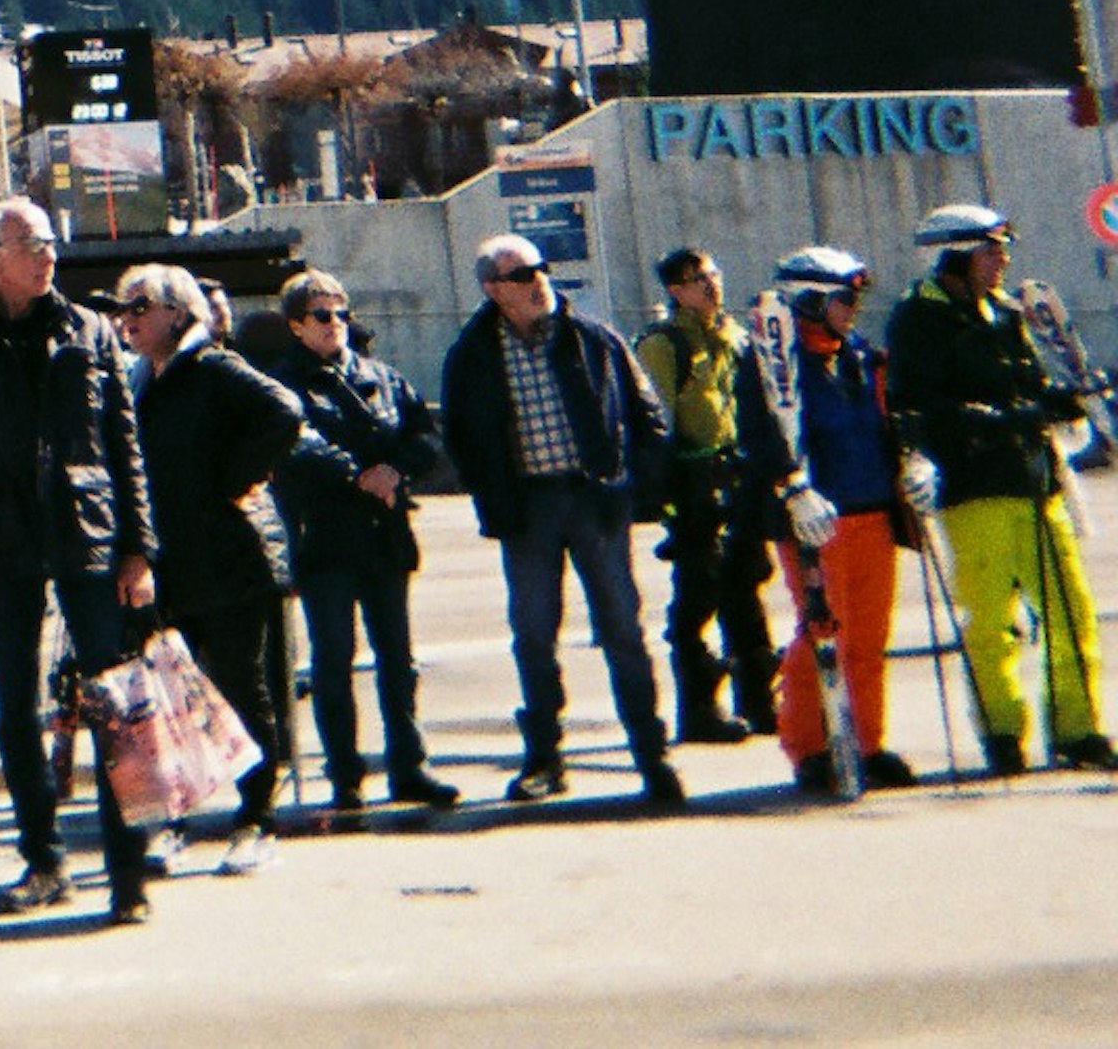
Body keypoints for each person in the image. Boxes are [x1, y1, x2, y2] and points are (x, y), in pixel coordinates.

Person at [0, 198, 157, 923]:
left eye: (51, 239)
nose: (46, 253)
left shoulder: (87, 328)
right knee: (15, 705)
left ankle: (128, 871)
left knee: (115, 704)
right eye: (29, 242)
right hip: (2, 540)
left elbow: (126, 446)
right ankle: (44, 857)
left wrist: (139, 547)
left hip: (86, 530)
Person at [439, 233, 683, 809]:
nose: (539, 281)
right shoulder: (473, 354)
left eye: (541, 268)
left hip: (597, 502)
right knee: (534, 635)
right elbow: (462, 438)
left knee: (623, 629)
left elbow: (648, 416)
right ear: (493, 289)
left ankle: (652, 756)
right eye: (523, 274)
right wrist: (494, 499)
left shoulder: (592, 338)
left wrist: (634, 486)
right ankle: (545, 759)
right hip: (528, 510)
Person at [883, 205, 1113, 774]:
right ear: (959, 256)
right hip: (974, 485)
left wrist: (1065, 399)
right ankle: (1003, 732)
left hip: (1036, 482)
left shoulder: (1006, 312)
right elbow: (918, 406)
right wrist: (1003, 419)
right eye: (992, 250)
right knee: (990, 621)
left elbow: (1029, 384)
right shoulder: (919, 318)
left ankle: (1077, 730)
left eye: (1003, 249)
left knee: (1071, 610)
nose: (1002, 261)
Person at [114, 261, 300, 870]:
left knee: (244, 689)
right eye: (124, 309)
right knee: (168, 700)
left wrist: (230, 478)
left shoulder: (213, 367)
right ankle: (175, 818)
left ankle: (257, 818)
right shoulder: (139, 379)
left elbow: (284, 411)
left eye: (141, 306)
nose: (129, 320)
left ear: (177, 312)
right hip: (169, 564)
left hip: (230, 559)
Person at [265, 269, 459, 818]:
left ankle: (409, 766)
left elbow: (423, 434)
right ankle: (345, 775)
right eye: (321, 316)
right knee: (333, 662)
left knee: (398, 658)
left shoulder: (383, 376)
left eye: (340, 313)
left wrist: (396, 471)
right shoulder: (284, 384)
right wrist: (357, 475)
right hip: (326, 537)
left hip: (384, 536)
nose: (334, 325)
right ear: (297, 326)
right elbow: (296, 445)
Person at [732, 247, 916, 794]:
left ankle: (865, 741)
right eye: (843, 298)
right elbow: (761, 435)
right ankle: (811, 745)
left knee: (868, 634)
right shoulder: (774, 362)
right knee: (822, 633)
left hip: (870, 509)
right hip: (814, 518)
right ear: (810, 302)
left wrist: (912, 460)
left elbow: (890, 416)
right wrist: (793, 487)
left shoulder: (856, 355)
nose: (853, 309)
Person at [632, 248, 778, 743]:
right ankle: (699, 708)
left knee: (746, 586)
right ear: (675, 291)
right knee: (698, 595)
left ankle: (760, 699)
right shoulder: (665, 343)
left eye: (712, 273)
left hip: (741, 479)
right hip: (694, 483)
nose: (710, 285)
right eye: (696, 279)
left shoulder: (736, 338)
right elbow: (656, 422)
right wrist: (667, 491)